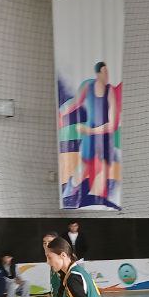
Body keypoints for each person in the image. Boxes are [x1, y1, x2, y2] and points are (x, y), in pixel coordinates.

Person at [59, 62, 120, 205]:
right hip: (90, 137)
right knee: (84, 167)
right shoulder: (88, 86)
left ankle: (101, 200)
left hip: (104, 137)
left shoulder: (110, 91)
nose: (106, 75)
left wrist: (90, 131)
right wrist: (61, 113)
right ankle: (70, 193)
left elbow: (112, 125)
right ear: (98, 73)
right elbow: (75, 103)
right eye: (104, 72)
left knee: (103, 168)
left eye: (107, 72)